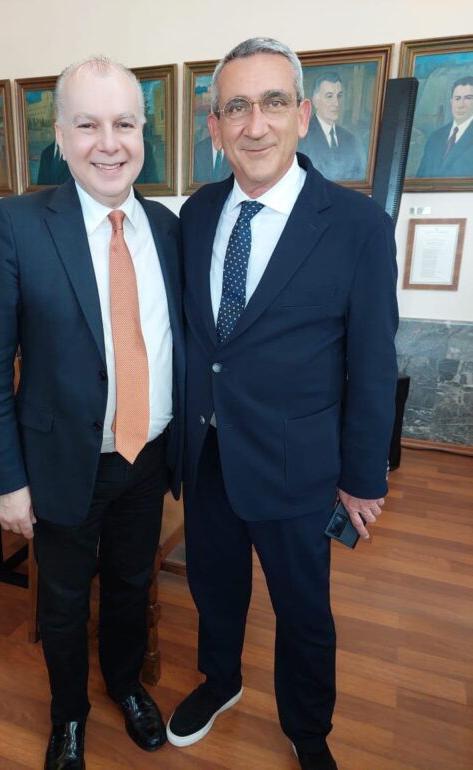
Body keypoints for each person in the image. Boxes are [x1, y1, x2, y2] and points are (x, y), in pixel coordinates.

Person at [166, 38, 398, 770]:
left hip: (298, 465)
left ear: (300, 115)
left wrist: (363, 477)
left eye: (271, 103)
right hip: (208, 453)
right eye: (236, 107)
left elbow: (372, 363)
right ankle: (221, 680)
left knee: (302, 611)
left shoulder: (357, 225)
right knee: (214, 586)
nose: (254, 124)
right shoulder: (196, 214)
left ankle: (308, 729)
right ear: (215, 127)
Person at [0, 56, 185, 770]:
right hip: (61, 464)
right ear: (60, 136)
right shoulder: (18, 224)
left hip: (148, 458)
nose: (108, 143)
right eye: (88, 125)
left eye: (124, 123)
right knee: (61, 602)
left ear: (144, 133)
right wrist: (5, 480)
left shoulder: (168, 228)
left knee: (130, 586)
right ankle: (68, 716)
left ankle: (125, 684)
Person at [299, 71, 363, 181]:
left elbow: (358, 175)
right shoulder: (302, 138)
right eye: (329, 96)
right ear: (316, 101)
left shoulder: (350, 139)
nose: (336, 103)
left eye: (339, 96)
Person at [416, 76, 473, 178]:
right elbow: (419, 179)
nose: (461, 105)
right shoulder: (435, 138)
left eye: (468, 98)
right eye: (457, 98)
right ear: (451, 102)